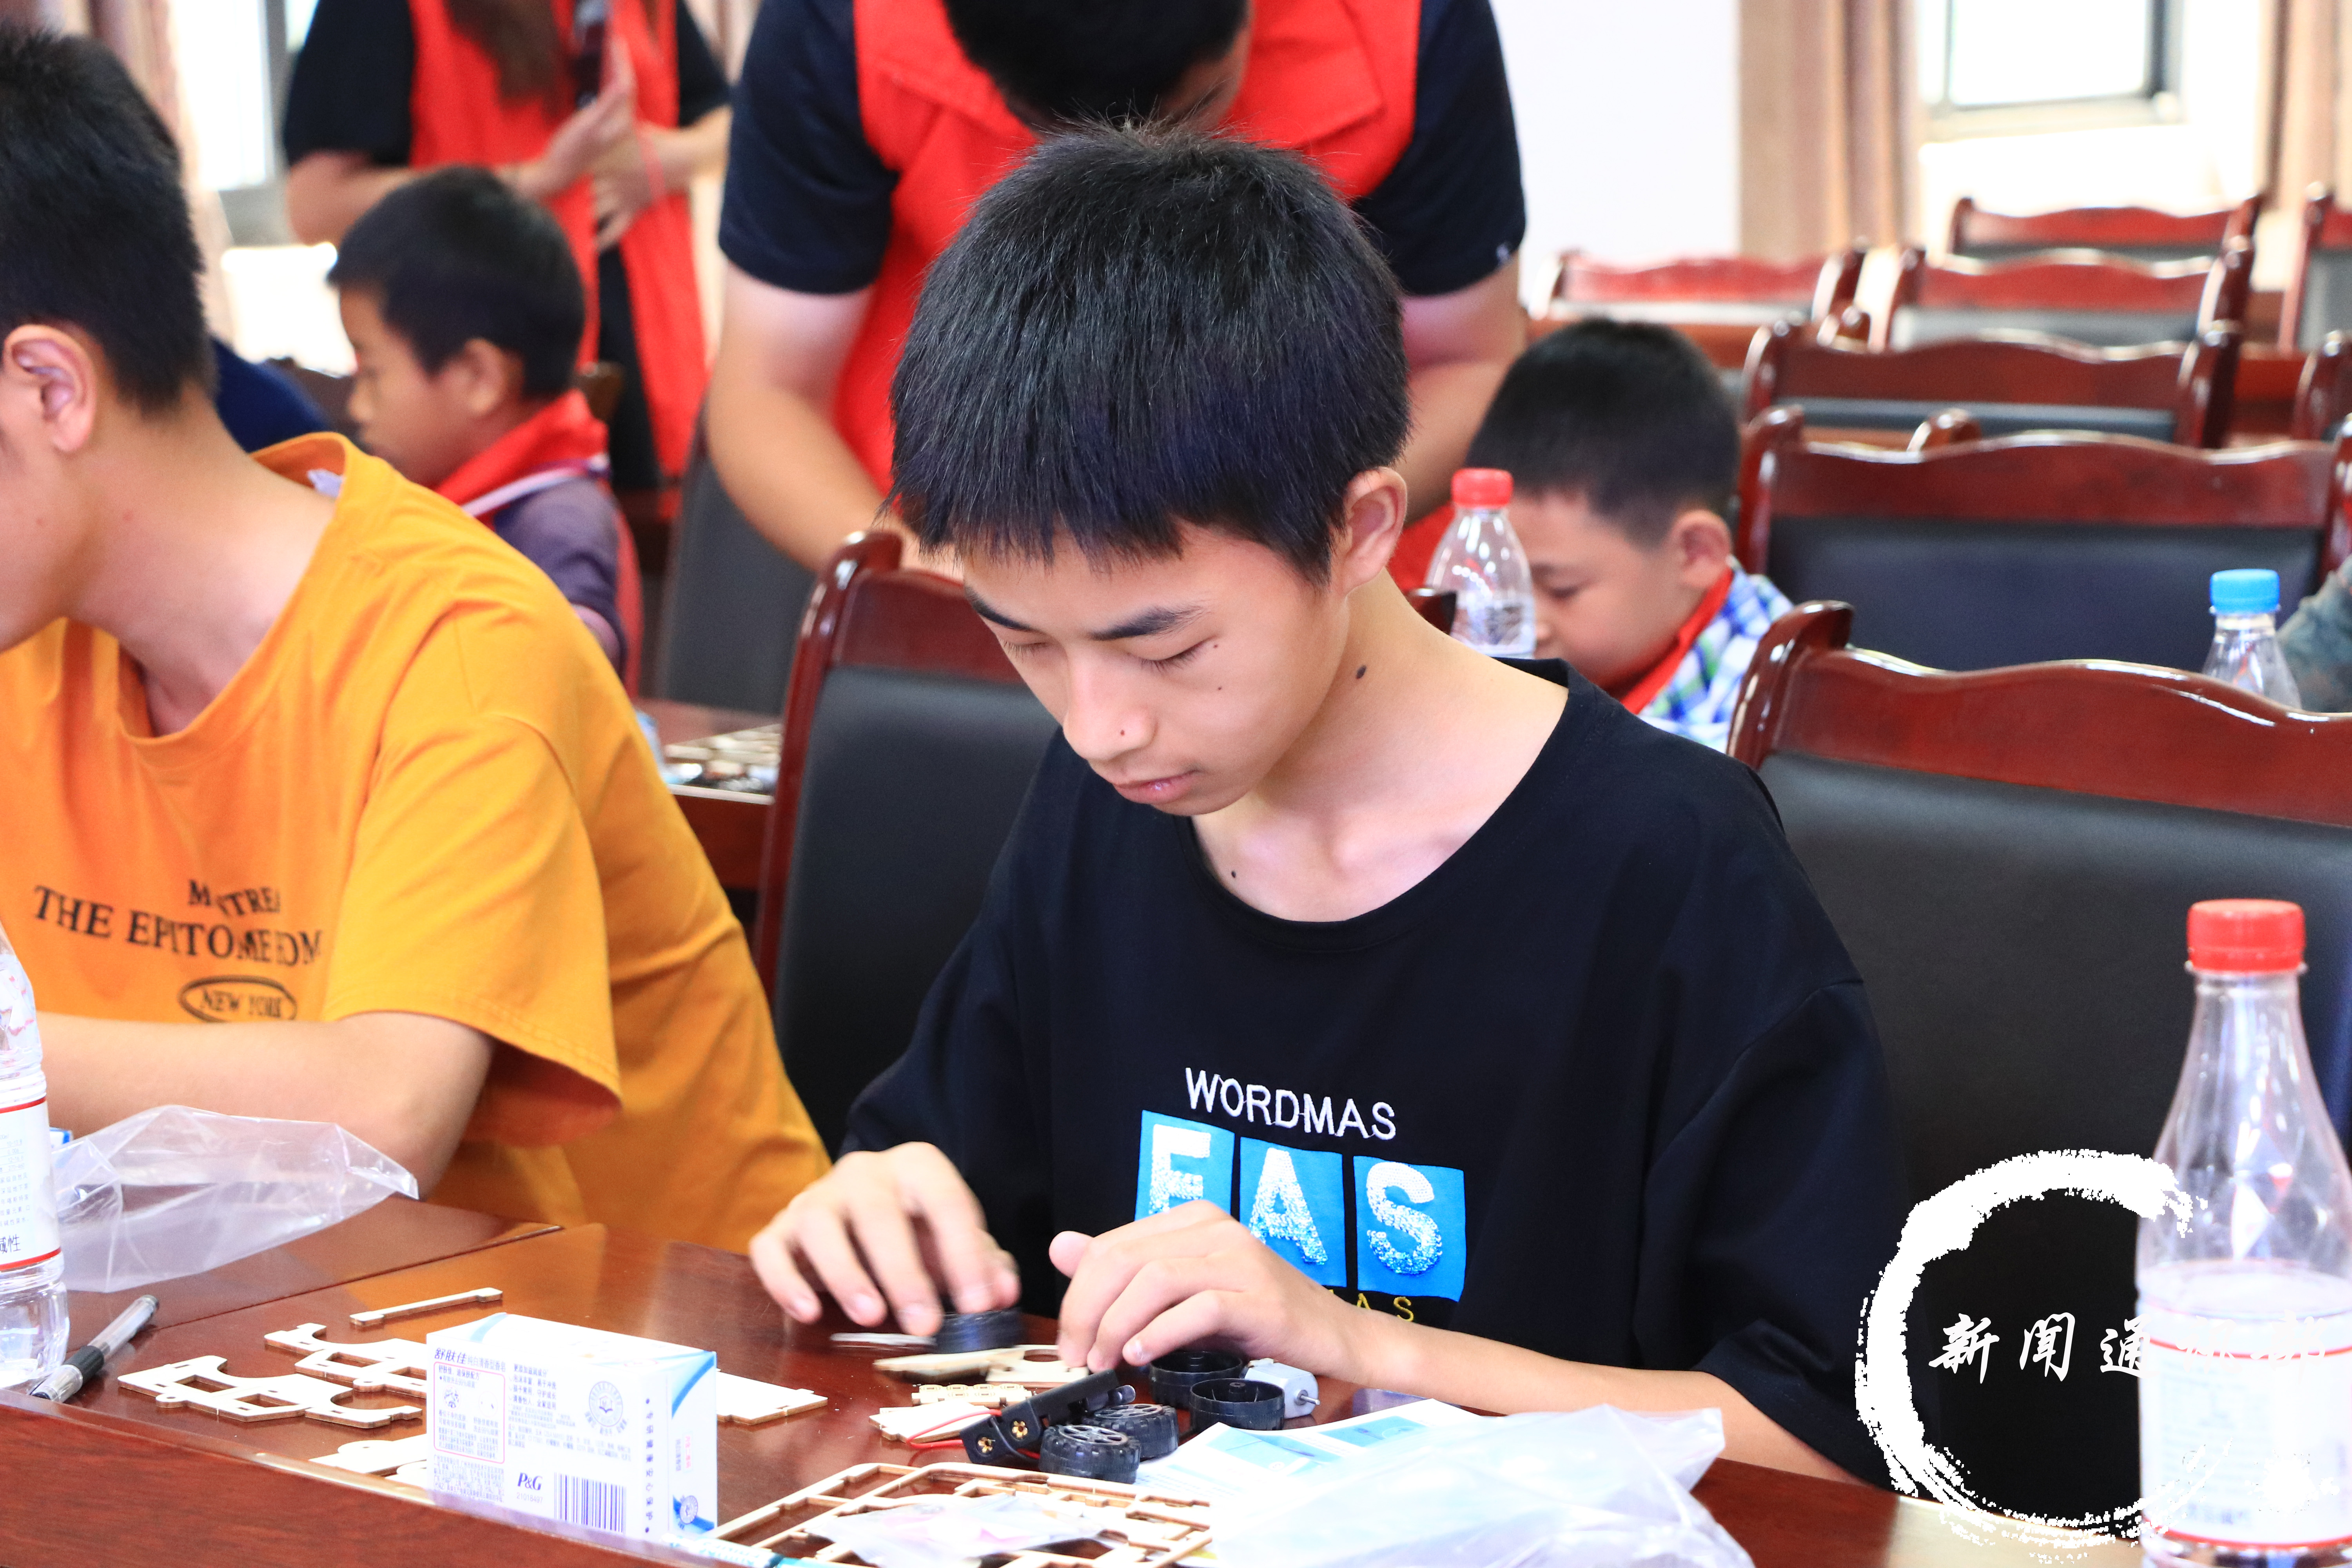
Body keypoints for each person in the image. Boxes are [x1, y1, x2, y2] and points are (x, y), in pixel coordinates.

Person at [749, 128, 1905, 1483]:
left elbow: (1825, 1446)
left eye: (1167, 647)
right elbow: (944, 1175)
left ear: (1358, 530)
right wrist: (881, 1204)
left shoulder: (1668, 864)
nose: (1098, 725)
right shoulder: (1106, 803)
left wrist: (1357, 1347)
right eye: (1026, 645)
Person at [0, 26, 825, 1252]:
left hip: (676, 1341)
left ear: (51, 389)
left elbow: (379, 1120)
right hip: (271, 1329)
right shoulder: (34, 636)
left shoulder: (457, 643)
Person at [709, 0, 1529, 572]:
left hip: (1324, 575)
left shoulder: (1412, 25)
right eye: (1056, 132)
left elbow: (1469, 362)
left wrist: (1291, 546)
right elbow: (768, 389)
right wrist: (935, 576)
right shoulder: (837, 25)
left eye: (1197, 111)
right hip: (952, 561)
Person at [282, 0, 730, 493]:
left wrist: (670, 159)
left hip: (655, 365)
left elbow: (727, 116)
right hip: (479, 388)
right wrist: (536, 178)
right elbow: (316, 204)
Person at [330, 167, 636, 681]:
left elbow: (580, 651)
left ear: (480, 378)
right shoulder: (452, 495)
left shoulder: (558, 514)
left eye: (374, 374)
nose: (359, 408)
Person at [1463, 321, 1794, 751]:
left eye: (1561, 589)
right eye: (1500, 579)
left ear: (1694, 553)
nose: (1523, 626)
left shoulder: (1775, 718)